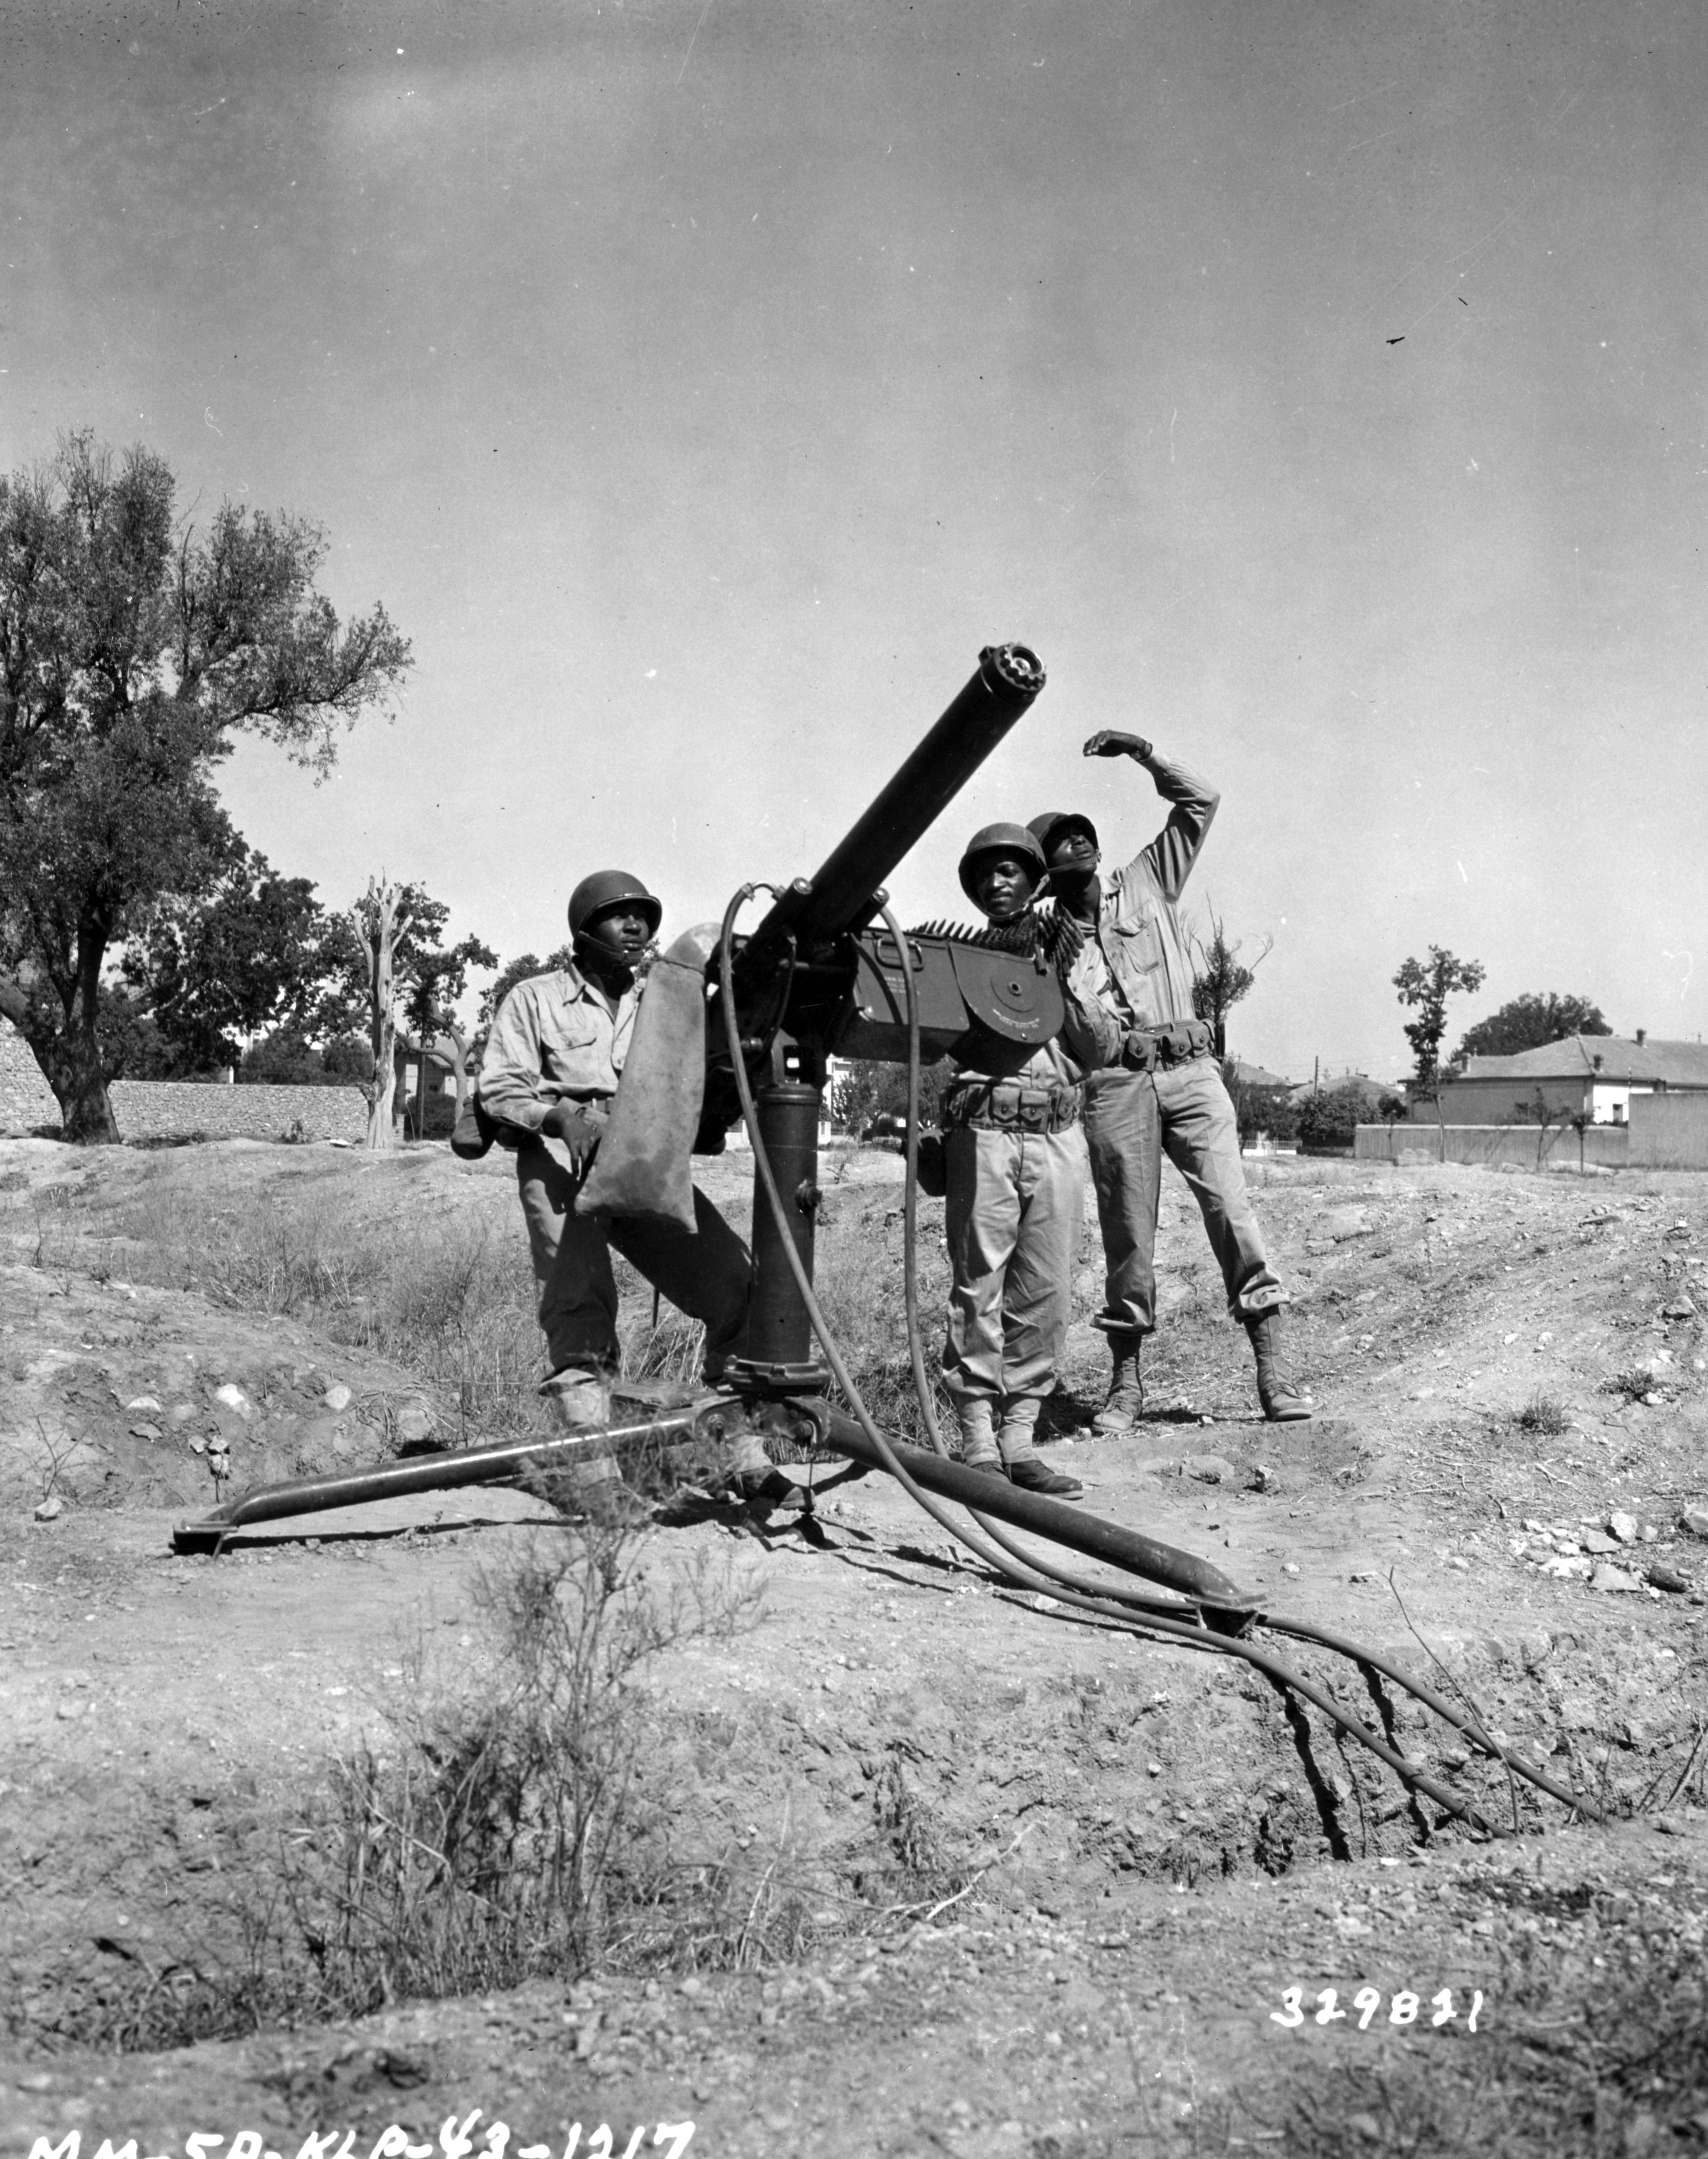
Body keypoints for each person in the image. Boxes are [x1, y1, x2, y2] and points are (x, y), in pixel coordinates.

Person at [1029, 734, 1311, 1428]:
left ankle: (1272, 1373)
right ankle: (1125, 1386)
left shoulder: (1147, 880)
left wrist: (1143, 753)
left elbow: (1200, 800)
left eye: (1083, 836)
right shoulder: (1045, 945)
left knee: (1232, 1214)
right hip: (1115, 1089)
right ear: (1046, 872)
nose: (1080, 845)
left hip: (1189, 1073)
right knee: (1127, 1238)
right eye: (1062, 844)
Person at [476, 870, 756, 1448]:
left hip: (639, 1160)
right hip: (558, 1160)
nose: (636, 926)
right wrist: (560, 1117)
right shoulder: (534, 998)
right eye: (619, 914)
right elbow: (500, 1090)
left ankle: (735, 1446)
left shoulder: (664, 1001)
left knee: (734, 1284)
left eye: (644, 916)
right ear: (584, 928)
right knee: (580, 1312)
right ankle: (593, 1467)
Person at [937, 822, 1117, 1497]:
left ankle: (1020, 1438)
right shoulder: (959, 957)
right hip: (984, 1130)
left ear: (1036, 879)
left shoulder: (1072, 949)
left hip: (1056, 1129)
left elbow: (1099, 1047)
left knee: (1045, 1289)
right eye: (985, 874)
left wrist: (1059, 983)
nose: (997, 881)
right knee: (978, 1285)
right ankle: (978, 1438)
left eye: (1012, 870)